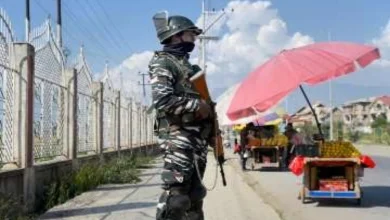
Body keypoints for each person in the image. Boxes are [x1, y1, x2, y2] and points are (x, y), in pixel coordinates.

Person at [149, 12, 223, 220]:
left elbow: (207, 106)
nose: (194, 39)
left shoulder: (191, 69)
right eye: (191, 34)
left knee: (195, 195)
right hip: (178, 139)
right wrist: (196, 105)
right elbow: (162, 101)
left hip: (197, 141)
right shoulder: (163, 63)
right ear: (176, 36)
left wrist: (213, 133)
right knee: (177, 199)